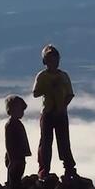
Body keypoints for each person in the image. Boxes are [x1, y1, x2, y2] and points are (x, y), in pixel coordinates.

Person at [32, 44, 77, 179]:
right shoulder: (42, 76)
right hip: (47, 112)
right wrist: (48, 88)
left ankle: (69, 168)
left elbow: (69, 94)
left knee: (64, 141)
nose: (54, 63)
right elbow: (35, 92)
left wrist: (63, 106)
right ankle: (44, 169)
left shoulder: (64, 76)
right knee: (46, 142)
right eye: (50, 60)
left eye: (55, 60)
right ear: (45, 61)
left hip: (61, 113)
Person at [4, 95, 32, 189]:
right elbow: (9, 144)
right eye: (20, 109)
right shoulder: (11, 125)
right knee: (13, 186)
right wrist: (12, 160)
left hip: (18, 158)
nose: (22, 112)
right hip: (15, 159)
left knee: (15, 184)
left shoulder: (15, 124)